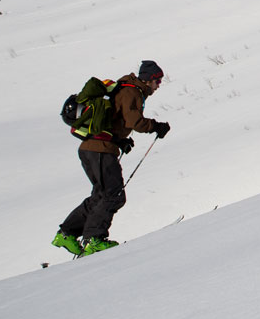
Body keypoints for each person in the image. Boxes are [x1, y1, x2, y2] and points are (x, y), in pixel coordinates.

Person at [52, 60, 172, 256]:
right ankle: (94, 239)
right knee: (113, 194)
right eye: (157, 81)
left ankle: (67, 233)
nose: (158, 85)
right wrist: (156, 126)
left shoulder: (125, 88)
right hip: (101, 150)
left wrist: (119, 141)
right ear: (149, 80)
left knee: (101, 195)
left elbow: (115, 121)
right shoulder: (132, 91)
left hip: (93, 148)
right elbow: (135, 122)